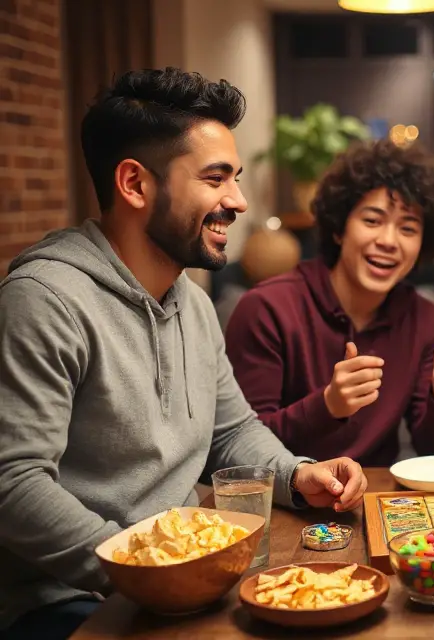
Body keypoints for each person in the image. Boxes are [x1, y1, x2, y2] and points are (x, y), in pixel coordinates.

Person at [0, 68, 368, 639]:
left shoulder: (193, 304)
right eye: (216, 178)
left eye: (236, 179)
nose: (238, 201)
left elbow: (231, 432)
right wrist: (145, 566)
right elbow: (13, 482)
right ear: (135, 184)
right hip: (71, 602)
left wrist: (299, 475)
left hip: (191, 583)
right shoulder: (43, 301)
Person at [224, 139, 434, 466]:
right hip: (287, 503)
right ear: (339, 229)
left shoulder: (424, 319)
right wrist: (328, 406)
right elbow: (240, 449)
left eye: (407, 228)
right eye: (372, 220)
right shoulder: (267, 309)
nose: (388, 241)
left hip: (378, 500)